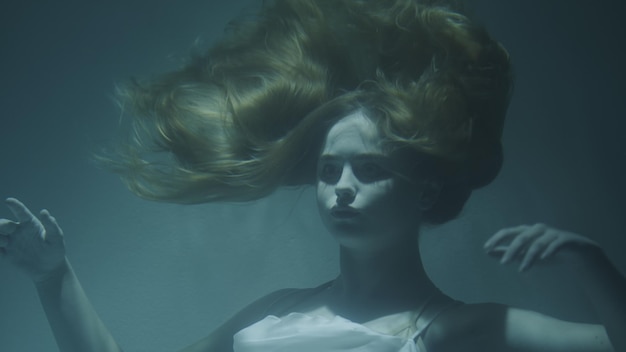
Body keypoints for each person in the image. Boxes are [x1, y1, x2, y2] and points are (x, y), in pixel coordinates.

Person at [1, 0, 625, 351]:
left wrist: (591, 260)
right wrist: (53, 276)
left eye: (369, 168)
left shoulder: (460, 329)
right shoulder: (273, 315)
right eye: (328, 169)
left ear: (426, 187)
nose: (341, 186)